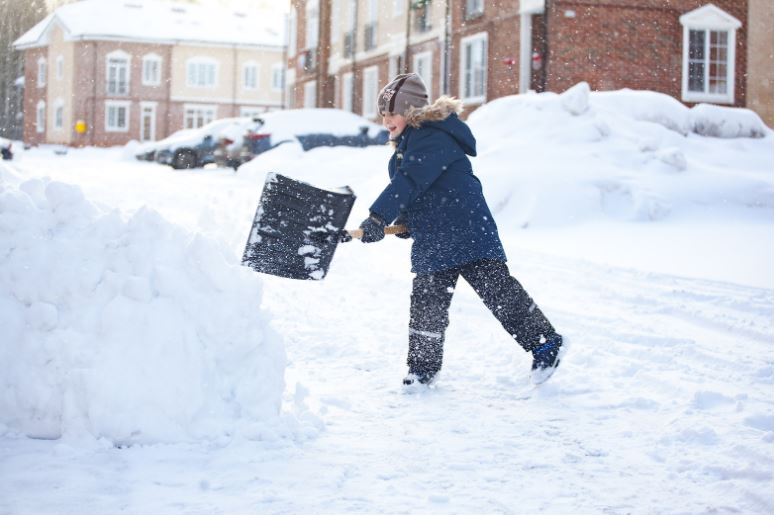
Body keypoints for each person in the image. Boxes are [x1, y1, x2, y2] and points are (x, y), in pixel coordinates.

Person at [357, 73, 564, 386]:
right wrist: (407, 223)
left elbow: (409, 181)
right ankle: (421, 371)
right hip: (435, 240)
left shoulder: (432, 138)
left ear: (411, 112)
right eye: (383, 114)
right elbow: (416, 192)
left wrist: (377, 217)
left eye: (393, 113)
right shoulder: (406, 148)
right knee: (427, 305)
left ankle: (545, 343)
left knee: (499, 293)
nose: (387, 120)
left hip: (467, 232)